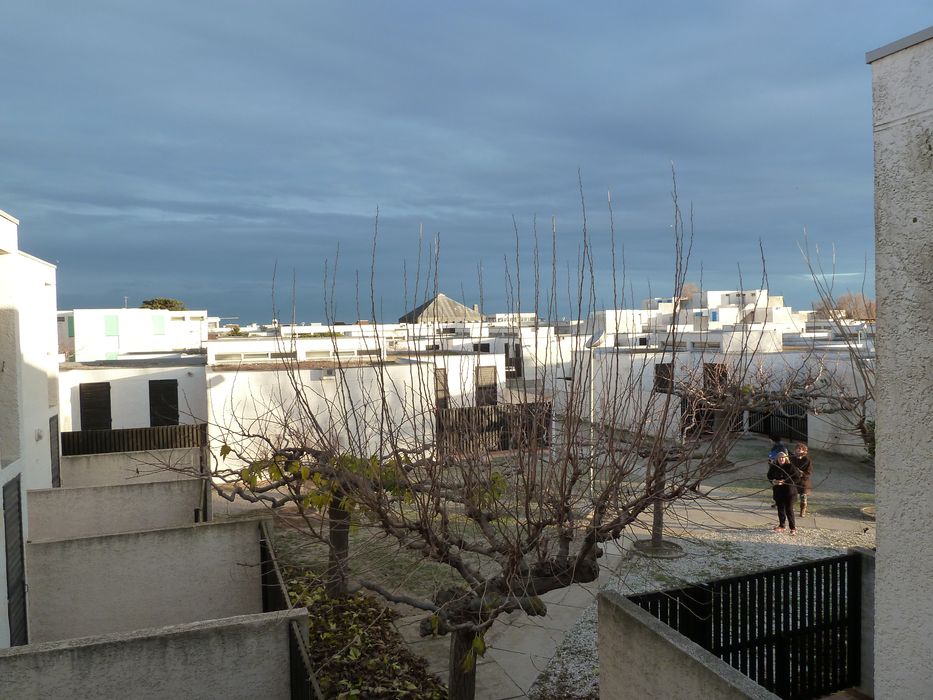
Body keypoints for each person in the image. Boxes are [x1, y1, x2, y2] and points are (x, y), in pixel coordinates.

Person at [768, 451, 800, 535]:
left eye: (783, 457)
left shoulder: (790, 467)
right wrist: (773, 481)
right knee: (780, 509)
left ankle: (793, 528)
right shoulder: (774, 467)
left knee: (789, 510)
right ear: (777, 459)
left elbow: (797, 478)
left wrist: (785, 481)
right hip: (778, 492)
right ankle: (782, 525)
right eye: (779, 458)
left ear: (786, 458)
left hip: (789, 492)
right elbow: (769, 476)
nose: (781, 459)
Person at [791, 443, 813, 517]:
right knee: (791, 495)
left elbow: (809, 471)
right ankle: (790, 508)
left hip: (803, 481)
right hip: (793, 480)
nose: (799, 450)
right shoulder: (792, 458)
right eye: (798, 448)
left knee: (803, 496)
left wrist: (802, 473)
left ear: (804, 450)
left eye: (801, 449)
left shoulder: (807, 459)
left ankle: (802, 510)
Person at [767, 435, 787, 508]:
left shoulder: (780, 447)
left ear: (772, 440)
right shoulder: (777, 446)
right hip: (774, 468)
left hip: (778, 469)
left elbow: (784, 458)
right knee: (776, 488)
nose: (769, 441)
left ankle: (781, 502)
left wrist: (772, 461)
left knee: (779, 487)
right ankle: (777, 502)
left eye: (770, 440)